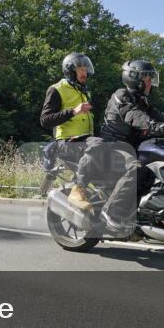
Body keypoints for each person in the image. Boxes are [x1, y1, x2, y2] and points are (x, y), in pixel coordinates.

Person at [84, 60, 164, 237]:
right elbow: (133, 115)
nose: (150, 82)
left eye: (151, 78)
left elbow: (159, 116)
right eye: (147, 78)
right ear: (134, 78)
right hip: (113, 146)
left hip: (131, 147)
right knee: (136, 169)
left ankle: (147, 213)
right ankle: (111, 213)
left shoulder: (143, 101)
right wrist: (153, 125)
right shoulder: (121, 95)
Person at [39, 52, 96, 211]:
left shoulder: (83, 91)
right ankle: (78, 189)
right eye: (81, 69)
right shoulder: (57, 89)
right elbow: (45, 120)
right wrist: (72, 111)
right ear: (70, 71)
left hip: (84, 141)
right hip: (67, 142)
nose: (85, 73)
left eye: (86, 70)